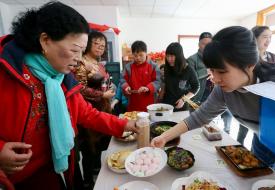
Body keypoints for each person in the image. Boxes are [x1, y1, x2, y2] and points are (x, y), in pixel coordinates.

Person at [151, 26, 275, 189]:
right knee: (256, 182)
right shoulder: (224, 89)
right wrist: (165, 137)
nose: (215, 79)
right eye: (212, 71)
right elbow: (200, 116)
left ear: (249, 65)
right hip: (264, 141)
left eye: (222, 72)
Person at [0, 2, 137, 190]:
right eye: (74, 50)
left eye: (82, 51)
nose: (79, 58)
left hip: (58, 169)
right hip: (14, 180)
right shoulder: (6, 72)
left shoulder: (60, 78)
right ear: (45, 41)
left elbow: (86, 113)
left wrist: (127, 124)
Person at [72, 31, 115, 189]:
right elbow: (79, 89)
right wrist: (102, 94)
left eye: (103, 45)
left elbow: (107, 80)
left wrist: (111, 87)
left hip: (103, 110)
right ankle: (88, 182)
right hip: (87, 113)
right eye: (97, 43)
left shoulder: (100, 64)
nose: (100, 47)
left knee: (101, 146)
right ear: (88, 44)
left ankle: (99, 173)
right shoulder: (80, 63)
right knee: (89, 148)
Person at [237, 25, 275, 145]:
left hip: (267, 98)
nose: (268, 40)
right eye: (265, 37)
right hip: (248, 97)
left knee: (262, 131)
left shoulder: (272, 56)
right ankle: (240, 144)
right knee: (244, 126)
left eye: (270, 37)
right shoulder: (245, 57)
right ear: (254, 38)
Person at [120, 40, 161, 111]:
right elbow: (122, 79)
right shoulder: (128, 67)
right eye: (135, 55)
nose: (138, 58)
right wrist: (126, 87)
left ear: (146, 53)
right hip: (133, 103)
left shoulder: (153, 66)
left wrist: (148, 88)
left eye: (141, 55)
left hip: (150, 104)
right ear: (132, 54)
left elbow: (158, 81)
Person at [159, 42, 199, 111]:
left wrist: (184, 99)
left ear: (179, 56)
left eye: (172, 56)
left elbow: (196, 87)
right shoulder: (166, 68)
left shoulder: (188, 69)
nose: (169, 59)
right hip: (166, 105)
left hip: (181, 105)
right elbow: (164, 85)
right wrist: (159, 98)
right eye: (167, 56)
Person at [187, 32, 212, 103]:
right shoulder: (191, 59)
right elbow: (190, 79)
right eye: (203, 44)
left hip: (214, 94)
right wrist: (207, 71)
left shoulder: (215, 58)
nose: (207, 46)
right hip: (198, 96)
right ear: (199, 44)